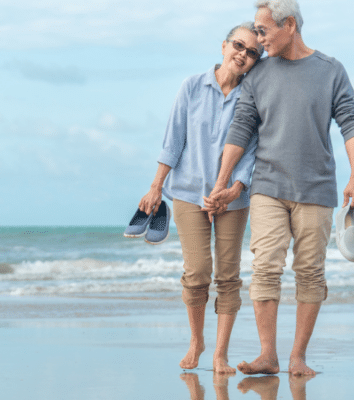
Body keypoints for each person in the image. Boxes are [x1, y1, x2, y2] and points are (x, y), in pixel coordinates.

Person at [204, 0, 354, 376]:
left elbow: (351, 124)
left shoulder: (330, 70)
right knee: (265, 268)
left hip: (316, 189)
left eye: (263, 31)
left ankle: (297, 357)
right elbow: (241, 128)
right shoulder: (259, 75)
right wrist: (222, 182)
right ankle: (268, 355)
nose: (258, 40)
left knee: (310, 272)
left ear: (289, 25)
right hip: (267, 186)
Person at [137, 22, 263, 372]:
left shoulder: (252, 97)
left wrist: (236, 187)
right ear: (223, 46)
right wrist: (155, 186)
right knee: (197, 272)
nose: (244, 54)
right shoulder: (191, 86)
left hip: (233, 199)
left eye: (253, 52)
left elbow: (252, 150)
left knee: (228, 275)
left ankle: (220, 353)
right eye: (239, 45)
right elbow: (173, 140)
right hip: (188, 195)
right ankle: (197, 340)